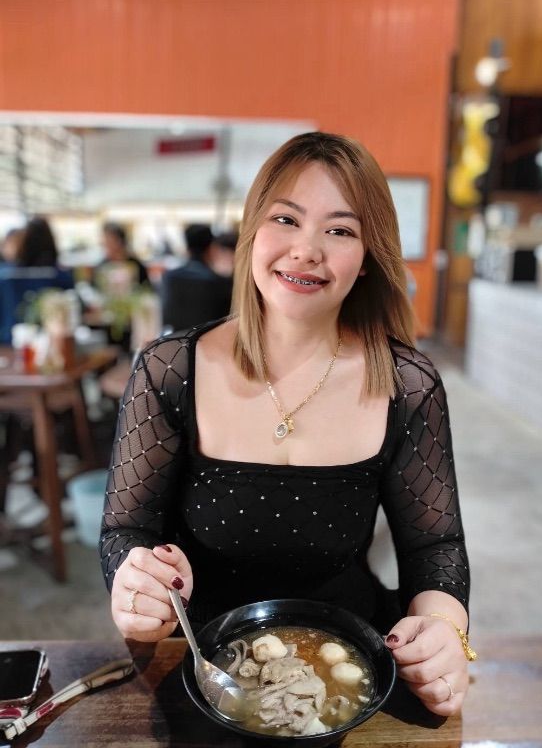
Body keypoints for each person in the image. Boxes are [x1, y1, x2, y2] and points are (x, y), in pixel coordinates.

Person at [100, 132, 473, 716]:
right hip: (202, 661)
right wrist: (134, 588)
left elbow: (435, 546)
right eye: (286, 219)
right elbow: (126, 530)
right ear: (252, 231)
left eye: (340, 230)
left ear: (368, 257)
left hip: (351, 660)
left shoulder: (408, 383)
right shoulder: (170, 370)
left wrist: (445, 631)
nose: (306, 250)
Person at [160, 225, 233, 331]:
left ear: (187, 247)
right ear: (211, 248)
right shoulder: (220, 282)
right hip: (208, 338)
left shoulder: (169, 277)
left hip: (176, 338)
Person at [95, 222, 150, 289]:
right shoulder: (102, 266)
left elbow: (146, 288)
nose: (105, 244)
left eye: (109, 240)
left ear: (120, 241)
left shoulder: (136, 265)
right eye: (105, 241)